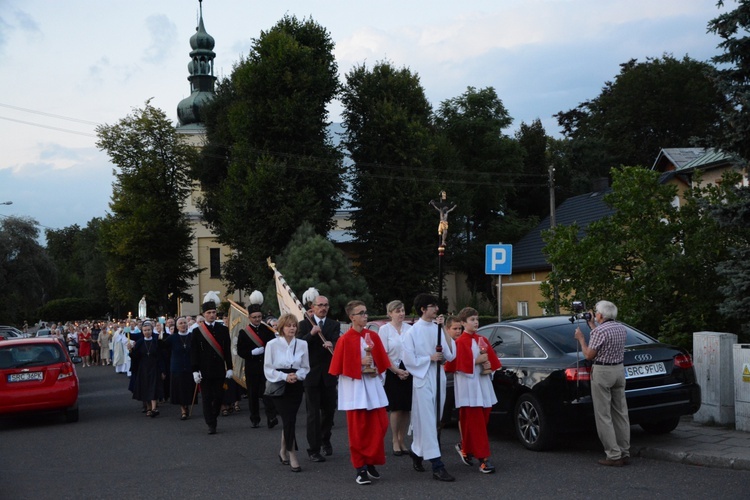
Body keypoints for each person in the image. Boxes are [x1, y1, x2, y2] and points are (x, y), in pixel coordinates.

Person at [329, 300, 391, 485]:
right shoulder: (344, 339)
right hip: (354, 389)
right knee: (358, 430)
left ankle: (370, 460)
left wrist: (375, 366)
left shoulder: (373, 336)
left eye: (365, 312)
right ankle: (360, 468)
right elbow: (337, 367)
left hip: (372, 386)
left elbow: (382, 361)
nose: (365, 316)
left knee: (381, 424)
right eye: (361, 313)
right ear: (352, 317)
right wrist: (359, 363)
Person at [401, 293, 456, 482]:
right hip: (423, 379)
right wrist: (429, 358)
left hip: (438, 377)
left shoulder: (437, 328)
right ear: (423, 309)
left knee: (437, 419)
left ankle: (417, 452)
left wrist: (445, 331)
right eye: (433, 306)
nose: (437, 309)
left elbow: (450, 356)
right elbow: (408, 360)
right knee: (427, 420)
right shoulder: (411, 332)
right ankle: (437, 465)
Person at [574, 300, 631, 466]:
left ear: (600, 315)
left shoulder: (599, 333)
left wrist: (581, 339)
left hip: (603, 372)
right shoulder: (621, 328)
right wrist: (592, 325)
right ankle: (624, 451)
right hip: (618, 370)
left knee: (603, 414)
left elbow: (588, 355)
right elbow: (604, 337)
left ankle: (613, 455)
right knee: (621, 412)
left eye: (596, 313)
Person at [451, 307, 501, 474]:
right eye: (472, 320)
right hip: (469, 388)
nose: (476, 322)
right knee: (476, 423)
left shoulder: (482, 339)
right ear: (463, 323)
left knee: (479, 419)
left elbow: (493, 362)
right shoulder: (459, 342)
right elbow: (456, 366)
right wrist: (476, 361)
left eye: (477, 319)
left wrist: (488, 365)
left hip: (483, 385)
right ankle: (484, 459)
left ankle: (465, 448)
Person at [264, 314, 310, 473]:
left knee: (289, 419)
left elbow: (305, 367)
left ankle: (282, 451)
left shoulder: (302, 344)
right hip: (278, 385)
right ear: (281, 327)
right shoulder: (272, 344)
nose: (292, 328)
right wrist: (285, 376)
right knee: (288, 419)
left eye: (294, 325)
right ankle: (292, 454)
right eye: (288, 325)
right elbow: (268, 369)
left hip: (296, 386)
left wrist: (297, 375)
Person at [297, 295, 339, 462]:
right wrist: (311, 334)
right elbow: (298, 344)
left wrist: (332, 344)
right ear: (312, 307)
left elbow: (338, 343)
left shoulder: (333, 324)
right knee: (313, 414)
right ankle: (313, 449)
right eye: (320, 305)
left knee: (329, 412)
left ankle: (325, 439)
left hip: (329, 374)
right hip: (311, 375)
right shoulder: (304, 324)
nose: (323, 308)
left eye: (326, 305)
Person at [190, 293, 234, 434]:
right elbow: (194, 353)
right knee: (207, 398)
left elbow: (227, 350)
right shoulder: (197, 332)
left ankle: (213, 416)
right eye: (209, 313)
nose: (212, 315)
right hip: (205, 371)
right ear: (204, 314)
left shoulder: (223, 330)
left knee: (219, 397)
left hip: (220, 370)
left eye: (214, 312)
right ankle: (211, 423)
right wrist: (195, 370)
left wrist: (230, 367)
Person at [377, 300, 413, 456]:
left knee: (407, 409)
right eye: (397, 311)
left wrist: (408, 370)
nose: (401, 313)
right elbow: (382, 354)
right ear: (390, 313)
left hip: (409, 370)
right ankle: (394, 440)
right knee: (396, 408)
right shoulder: (384, 330)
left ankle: (402, 438)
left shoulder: (410, 329)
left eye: (403, 310)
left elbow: (414, 350)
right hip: (392, 371)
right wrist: (396, 370)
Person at [237, 304, 278, 428]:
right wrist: (251, 353)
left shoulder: (267, 330)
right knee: (253, 394)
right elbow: (240, 351)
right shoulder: (244, 332)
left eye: (259, 316)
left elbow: (273, 347)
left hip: (265, 367)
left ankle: (271, 417)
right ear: (249, 318)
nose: (257, 319)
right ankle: (255, 418)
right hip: (252, 368)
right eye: (254, 317)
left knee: (267, 393)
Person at [128, 321, 166, 417]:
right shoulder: (140, 342)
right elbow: (135, 357)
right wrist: (130, 350)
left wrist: (162, 370)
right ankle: (148, 408)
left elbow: (160, 356)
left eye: (149, 330)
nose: (147, 332)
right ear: (142, 331)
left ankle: (154, 408)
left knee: (154, 387)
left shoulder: (156, 341)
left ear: (151, 330)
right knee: (145, 388)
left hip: (154, 367)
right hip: (143, 368)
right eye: (145, 330)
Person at [163, 317, 195, 420]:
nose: (183, 325)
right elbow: (162, 347)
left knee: (188, 388)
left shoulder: (192, 336)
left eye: (184, 323)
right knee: (180, 389)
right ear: (177, 326)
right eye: (180, 323)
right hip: (177, 366)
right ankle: (183, 410)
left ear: (188, 325)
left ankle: (187, 405)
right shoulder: (173, 338)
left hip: (190, 366)